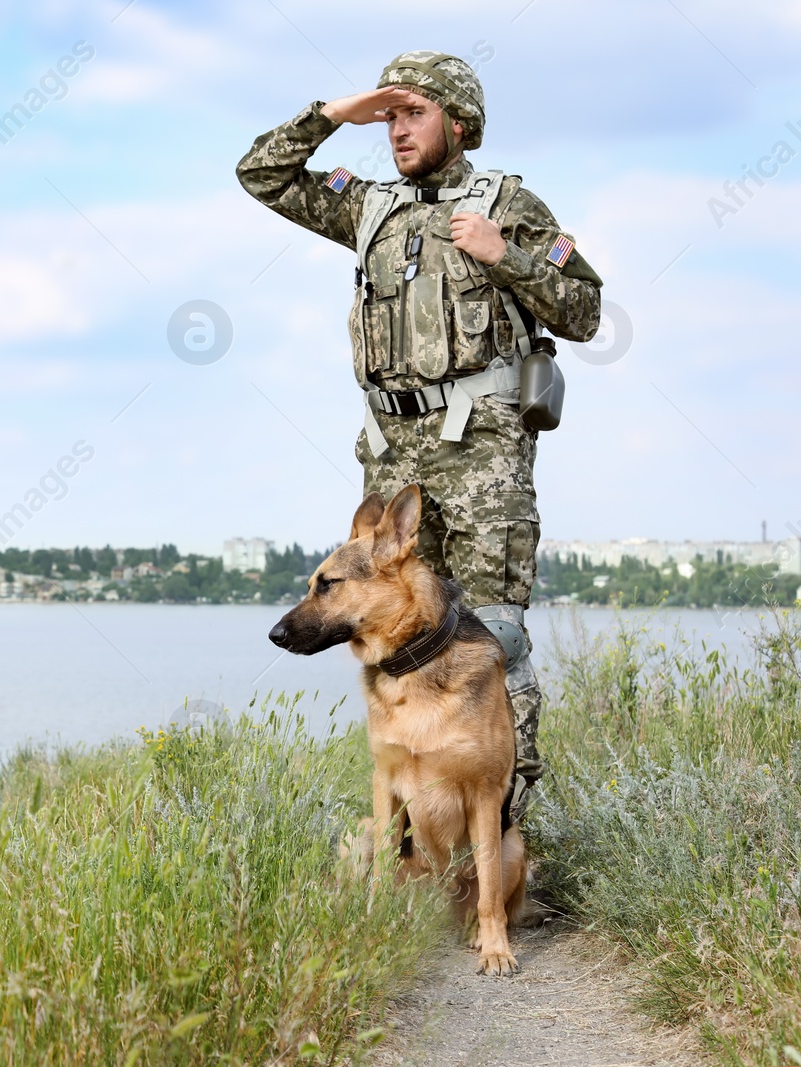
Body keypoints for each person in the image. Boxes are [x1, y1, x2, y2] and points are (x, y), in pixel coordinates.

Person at [235, 51, 604, 821]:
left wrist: (506, 256)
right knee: (394, 642)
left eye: (415, 113)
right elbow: (260, 174)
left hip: (483, 455)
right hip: (391, 455)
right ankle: (406, 843)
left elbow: (585, 310)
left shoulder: (507, 202)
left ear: (459, 122)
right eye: (392, 115)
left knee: (492, 638)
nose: (398, 130)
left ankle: (502, 836)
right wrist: (337, 112)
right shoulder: (369, 207)